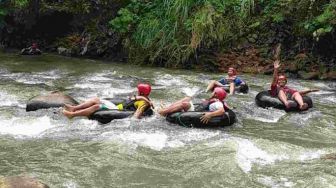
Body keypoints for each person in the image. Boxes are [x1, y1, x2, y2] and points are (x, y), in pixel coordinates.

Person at [62, 83, 153, 119]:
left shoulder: (143, 103)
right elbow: (132, 100)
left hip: (118, 110)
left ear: (140, 91)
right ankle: (74, 108)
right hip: (117, 106)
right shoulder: (141, 98)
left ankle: (72, 115)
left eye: (138, 89)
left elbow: (137, 114)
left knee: (96, 106)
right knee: (96, 99)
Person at [159, 87, 230, 124]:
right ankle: (166, 108)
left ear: (216, 94)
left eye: (214, 92)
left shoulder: (218, 103)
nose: (212, 92)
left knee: (185, 104)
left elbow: (222, 111)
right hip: (196, 110)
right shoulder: (213, 100)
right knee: (187, 98)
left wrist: (210, 115)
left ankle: (163, 112)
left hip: (195, 113)